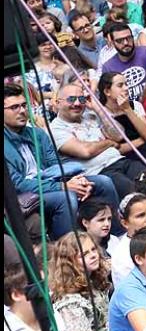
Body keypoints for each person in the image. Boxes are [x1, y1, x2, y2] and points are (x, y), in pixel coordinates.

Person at [4, 85, 120, 239]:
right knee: (66, 197)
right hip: (25, 195)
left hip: (50, 182)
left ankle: (118, 237)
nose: (22, 111)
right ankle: (68, 253)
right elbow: (17, 185)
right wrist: (61, 186)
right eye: (14, 107)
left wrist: (75, 180)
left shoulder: (37, 134)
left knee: (103, 182)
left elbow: (55, 165)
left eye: (24, 105)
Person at [6, 262, 134, 331]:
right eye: (41, 288)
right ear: (17, 294)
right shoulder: (8, 326)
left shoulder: (50, 312)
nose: (50, 293)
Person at [50, 81, 145, 198]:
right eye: (71, 99)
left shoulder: (90, 116)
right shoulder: (55, 128)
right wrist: (109, 142)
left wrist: (97, 109)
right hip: (101, 172)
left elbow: (119, 136)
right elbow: (85, 151)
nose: (77, 103)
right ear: (58, 103)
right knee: (136, 195)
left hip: (121, 161)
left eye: (81, 99)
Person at [100, 20, 146, 103]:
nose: (126, 43)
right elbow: (111, 100)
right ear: (113, 43)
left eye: (128, 38)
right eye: (120, 40)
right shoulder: (108, 67)